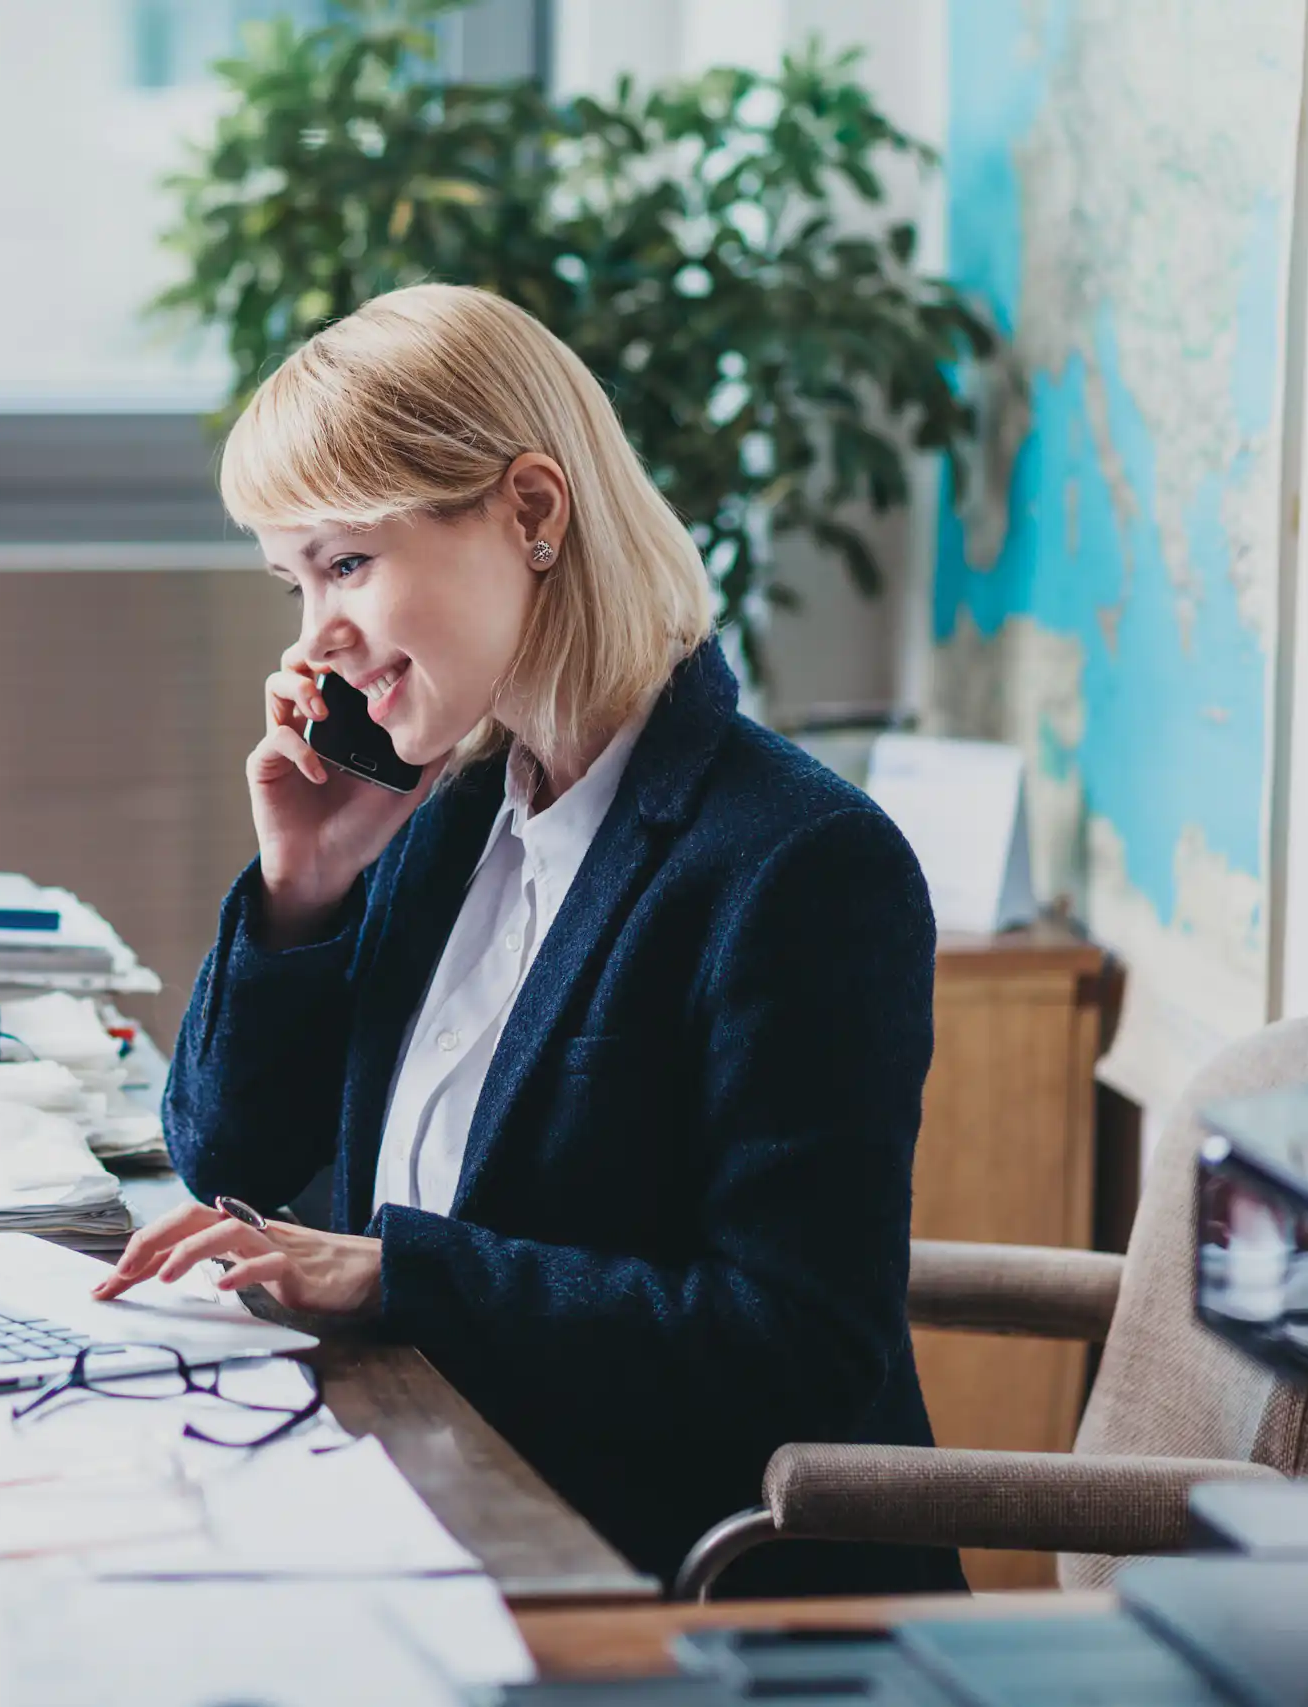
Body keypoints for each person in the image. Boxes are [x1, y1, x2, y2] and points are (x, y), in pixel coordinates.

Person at [93, 284, 963, 1598]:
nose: (314, 638)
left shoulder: (799, 864)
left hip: (671, 1594)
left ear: (533, 512)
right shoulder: (448, 821)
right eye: (294, 581)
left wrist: (397, 1276)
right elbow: (230, 1160)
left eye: (347, 562)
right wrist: (303, 888)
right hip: (431, 1500)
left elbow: (797, 1350)